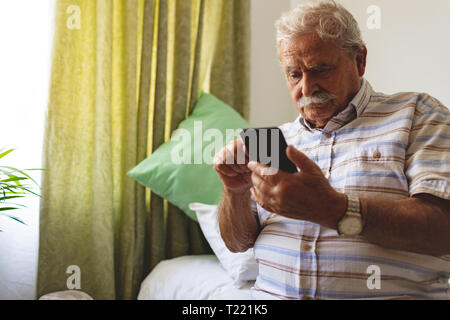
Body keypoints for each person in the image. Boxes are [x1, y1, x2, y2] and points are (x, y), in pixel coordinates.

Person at [213, 0, 450, 300]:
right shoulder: (273, 139)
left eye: (320, 69)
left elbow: (444, 229)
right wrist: (234, 192)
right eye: (294, 74)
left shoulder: (417, 114)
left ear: (360, 60)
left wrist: (335, 210)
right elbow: (237, 243)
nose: (307, 87)